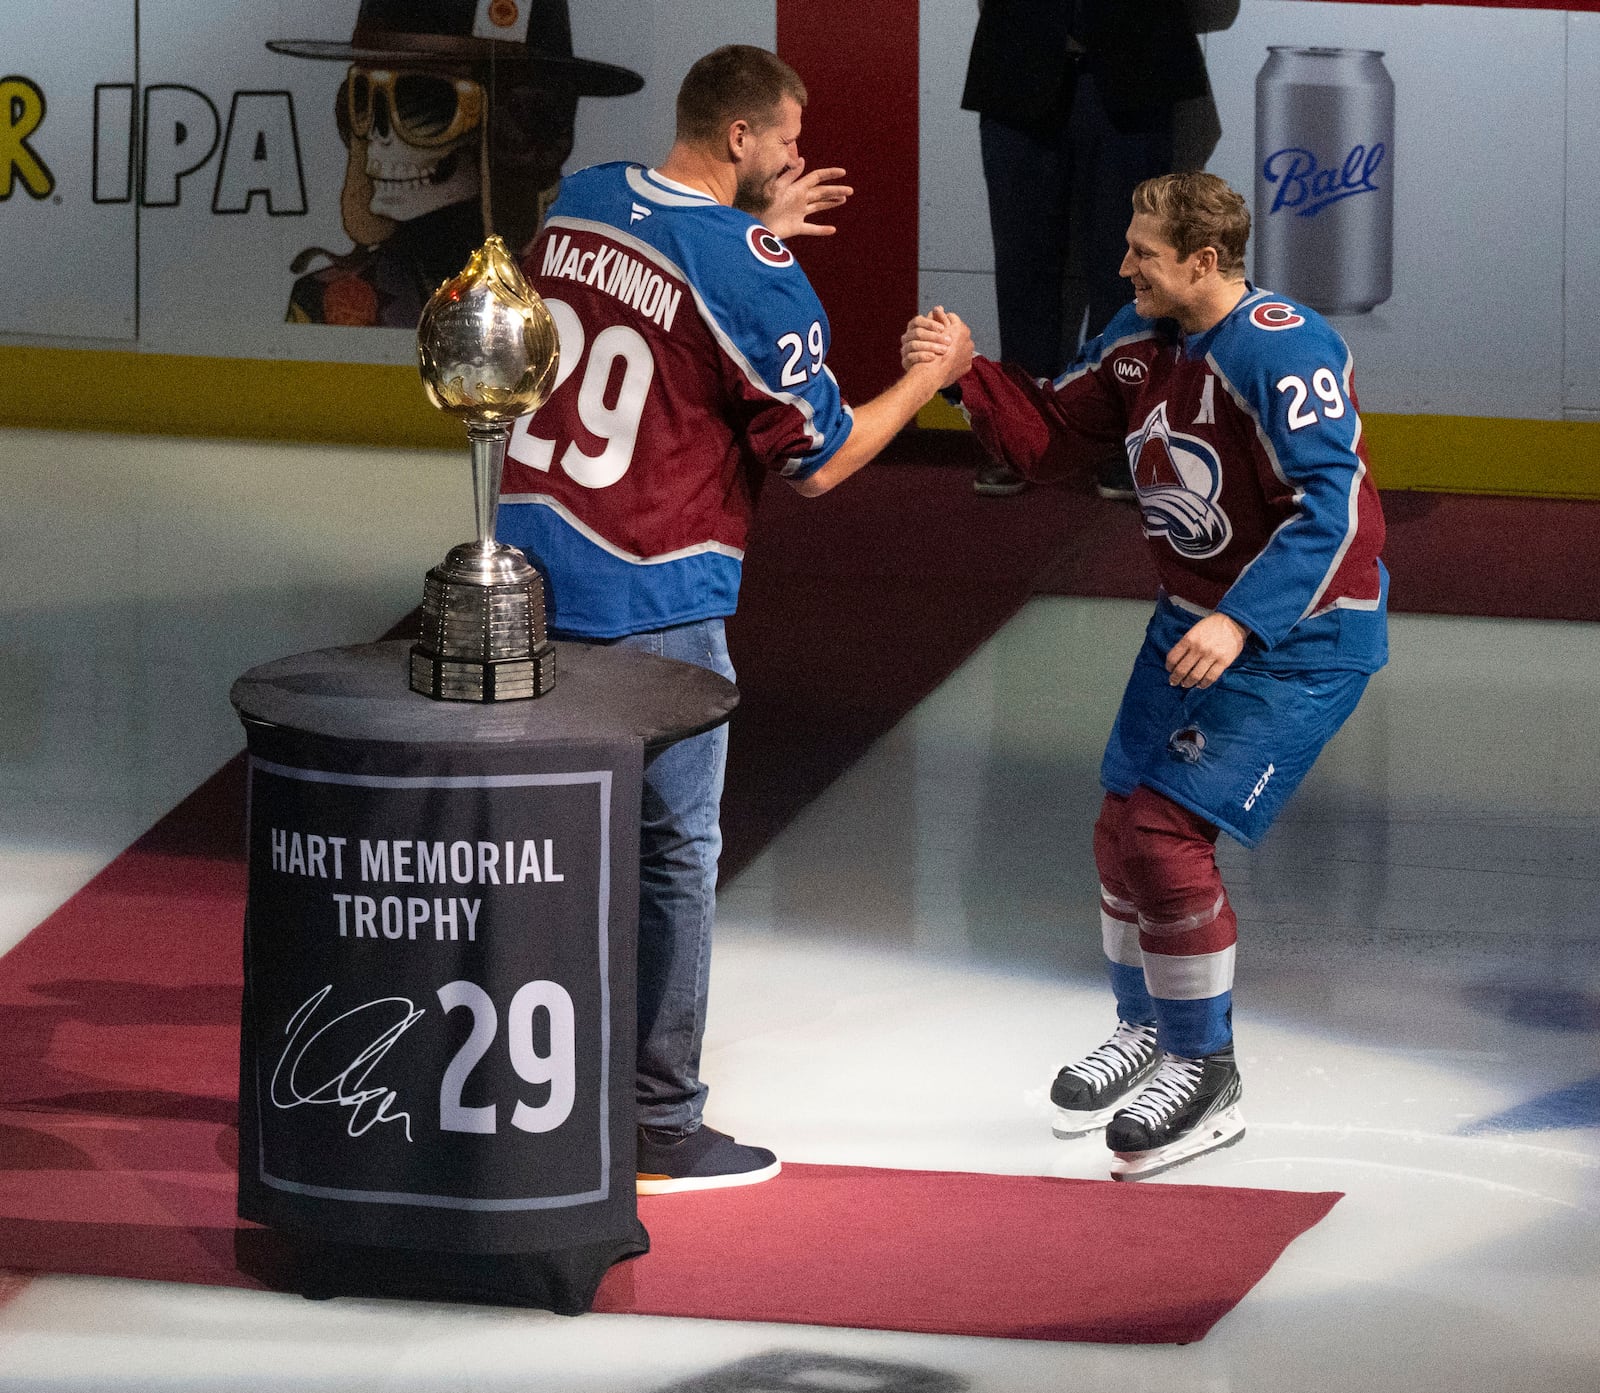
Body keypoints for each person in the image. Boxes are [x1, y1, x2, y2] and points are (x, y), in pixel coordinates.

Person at [497, 45, 972, 1193]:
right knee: (672, 852)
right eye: (789, 143)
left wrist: (753, 229)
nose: (799, 159)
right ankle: (659, 1121)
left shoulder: (584, 199)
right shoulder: (750, 268)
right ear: (742, 140)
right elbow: (816, 461)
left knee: (543, 841)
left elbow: (666, 272)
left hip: (527, 566)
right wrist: (929, 377)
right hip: (655, 592)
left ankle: (528, 1093)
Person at [903, 171, 1387, 1179]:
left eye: (1142, 253)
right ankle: (1149, 1032)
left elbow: (1333, 510)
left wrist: (1242, 622)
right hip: (1192, 620)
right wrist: (966, 373)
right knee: (1120, 824)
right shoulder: (1136, 338)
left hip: (1301, 637)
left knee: (1165, 835)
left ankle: (1205, 1071)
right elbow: (1049, 441)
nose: (1122, 267)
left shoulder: (1280, 346)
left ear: (1201, 261)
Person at [960, 0, 1208, 498]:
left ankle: (1122, 434)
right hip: (1017, 63)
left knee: (1133, 266)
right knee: (1022, 263)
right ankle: (1020, 432)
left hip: (1136, 66)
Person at [269, 0, 643, 327]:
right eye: (363, 99)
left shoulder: (571, 294)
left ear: (513, 128)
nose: (380, 139)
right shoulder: (324, 301)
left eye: (424, 104)